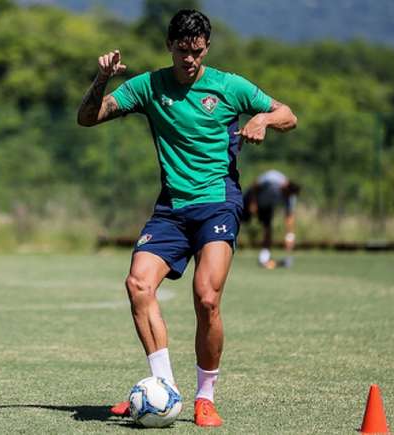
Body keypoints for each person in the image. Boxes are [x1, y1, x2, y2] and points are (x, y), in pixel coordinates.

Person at [77, 9, 297, 427]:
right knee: (138, 284)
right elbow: (88, 117)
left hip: (218, 203)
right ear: (169, 47)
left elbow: (289, 114)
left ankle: (205, 396)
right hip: (171, 209)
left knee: (206, 298)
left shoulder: (230, 86)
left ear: (206, 48)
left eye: (196, 52)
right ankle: (165, 390)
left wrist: (264, 118)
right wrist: (102, 78)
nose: (189, 60)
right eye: (182, 51)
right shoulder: (149, 86)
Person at [242, 170, 301, 269]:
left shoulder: (290, 197)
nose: (286, 198)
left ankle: (264, 258)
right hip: (251, 198)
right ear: (285, 187)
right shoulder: (272, 178)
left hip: (266, 206)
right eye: (286, 194)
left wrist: (290, 236)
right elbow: (255, 185)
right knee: (238, 222)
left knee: (268, 230)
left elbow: (289, 216)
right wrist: (253, 203)